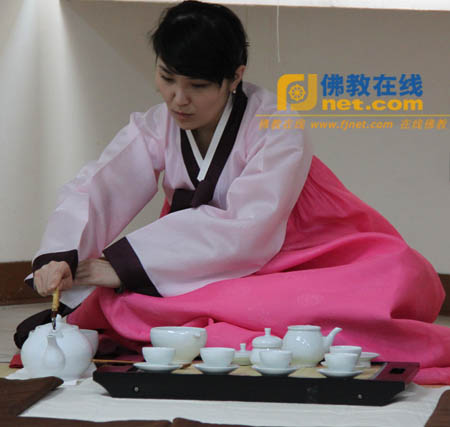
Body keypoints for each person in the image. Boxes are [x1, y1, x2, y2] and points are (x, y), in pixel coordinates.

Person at [17, 1, 449, 384]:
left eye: (198, 86)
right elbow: (99, 185)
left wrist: (118, 265)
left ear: (235, 77)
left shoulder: (278, 126)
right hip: (202, 258)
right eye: (167, 78)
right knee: (136, 297)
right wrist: (62, 256)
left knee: (400, 274)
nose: (178, 99)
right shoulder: (155, 126)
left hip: (304, 254)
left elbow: (248, 227)